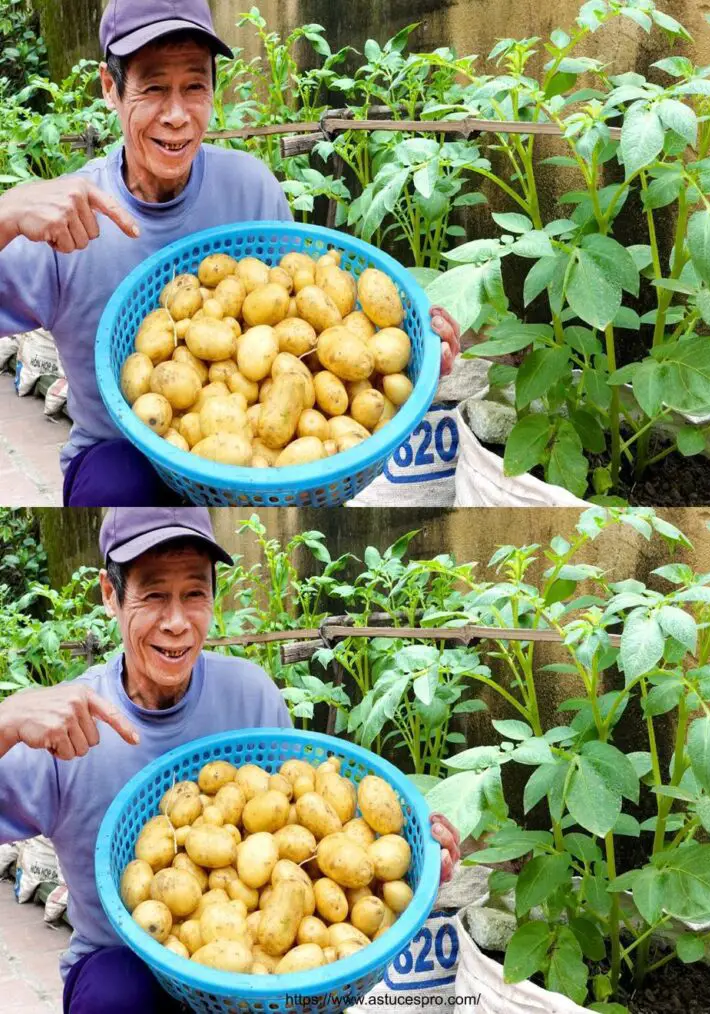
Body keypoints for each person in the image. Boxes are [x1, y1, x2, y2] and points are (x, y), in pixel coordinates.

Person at [0, 0, 461, 507]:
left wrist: (415, 361)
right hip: (123, 450)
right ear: (111, 90)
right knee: (117, 483)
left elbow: (317, 321)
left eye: (194, 86)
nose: (176, 116)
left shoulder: (250, 187)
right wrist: (6, 214)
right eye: (153, 88)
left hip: (258, 462)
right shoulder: (64, 217)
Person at [0, 507, 462, 1014]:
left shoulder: (249, 693)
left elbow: (317, 838)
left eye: (194, 594)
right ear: (111, 597)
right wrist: (6, 720)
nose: (176, 623)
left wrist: (416, 867)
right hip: (126, 961)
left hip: (257, 972)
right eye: (154, 595)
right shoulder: (66, 723)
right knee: (115, 992)